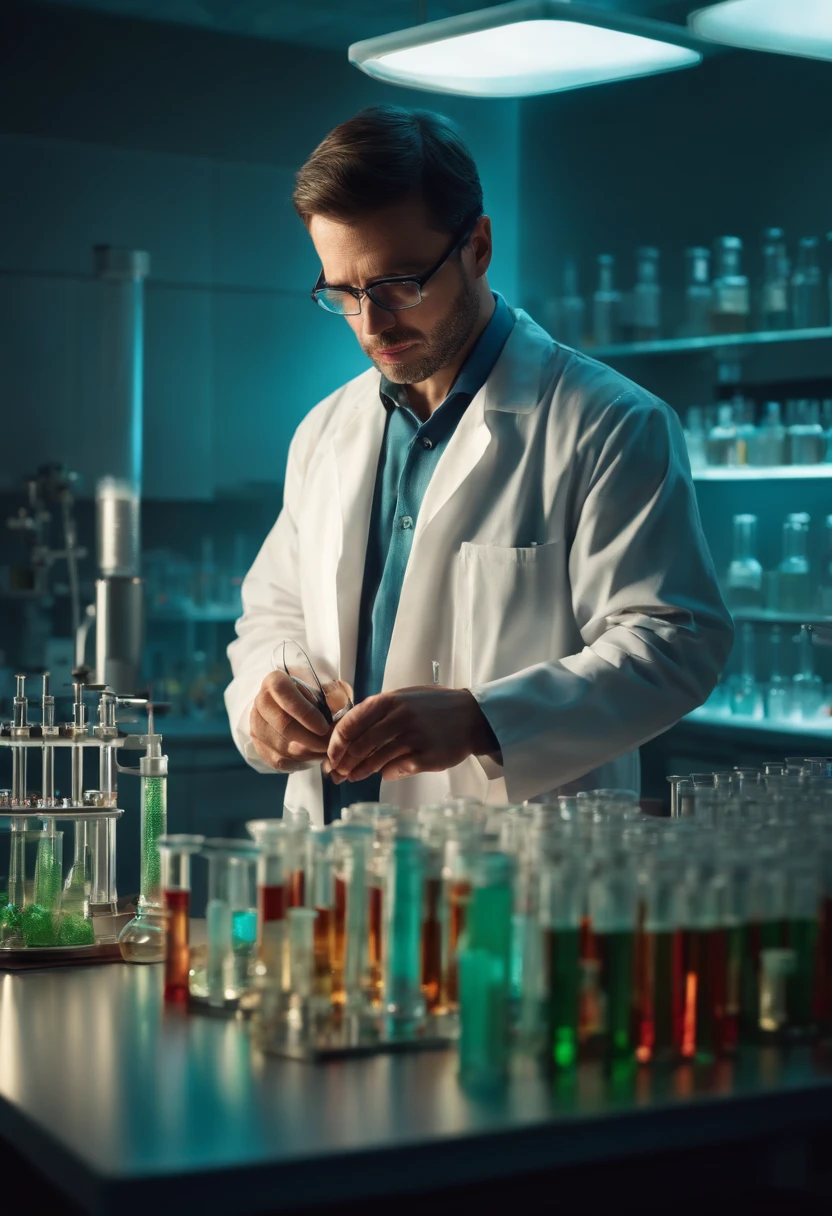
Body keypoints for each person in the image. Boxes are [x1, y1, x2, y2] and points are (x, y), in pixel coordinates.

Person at [225, 104, 733, 825]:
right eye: (343, 293)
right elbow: (272, 615)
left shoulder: (607, 422)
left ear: (479, 246)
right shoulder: (325, 431)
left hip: (518, 870)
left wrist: (482, 720)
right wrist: (265, 696)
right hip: (337, 867)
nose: (373, 323)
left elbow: (674, 642)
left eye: (399, 284)